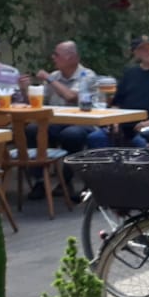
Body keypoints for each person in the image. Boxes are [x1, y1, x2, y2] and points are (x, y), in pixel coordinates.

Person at [30, 41, 108, 196]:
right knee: (33, 129)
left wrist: (49, 79)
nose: (53, 58)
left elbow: (71, 96)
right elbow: (39, 102)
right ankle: (40, 180)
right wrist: (26, 89)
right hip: (56, 122)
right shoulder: (54, 76)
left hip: (82, 122)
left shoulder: (87, 76)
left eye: (56, 55)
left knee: (72, 134)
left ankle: (66, 181)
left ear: (72, 58)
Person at [110, 35, 149, 146]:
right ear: (136, 53)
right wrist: (114, 122)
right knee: (96, 138)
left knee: (139, 142)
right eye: (143, 49)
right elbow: (116, 104)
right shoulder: (129, 73)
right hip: (123, 126)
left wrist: (148, 124)